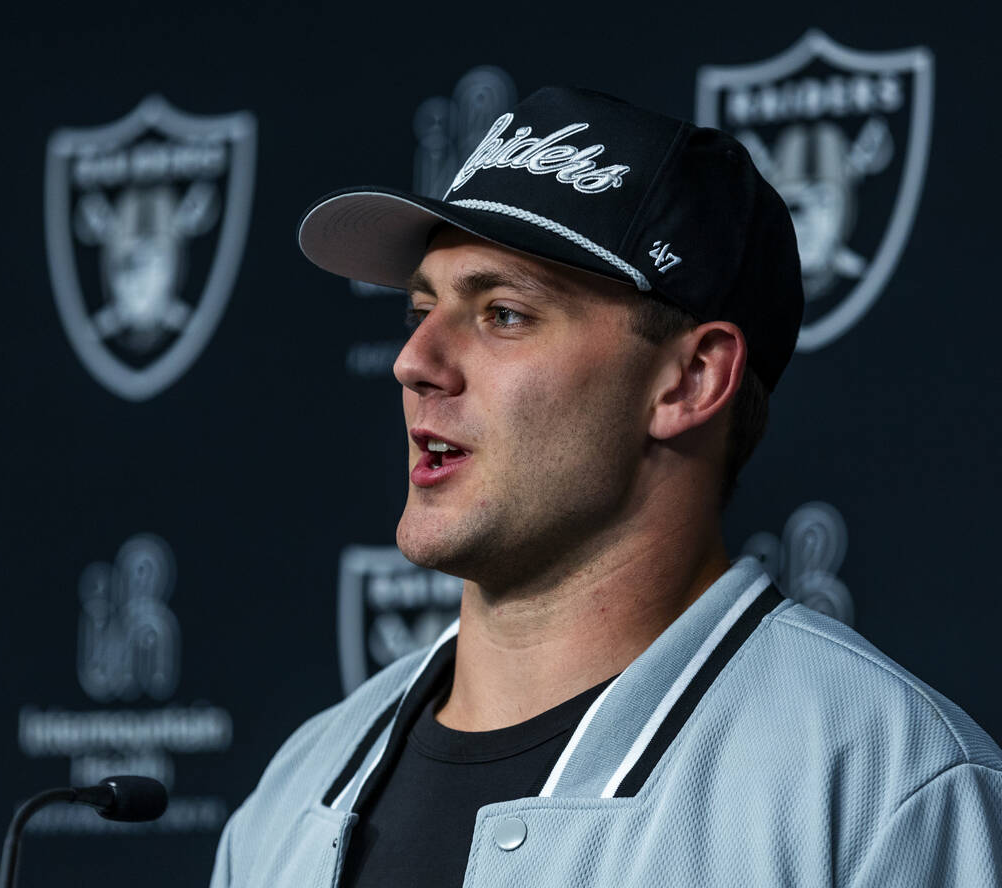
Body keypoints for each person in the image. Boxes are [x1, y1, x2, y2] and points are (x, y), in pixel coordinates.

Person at [210, 87, 1002, 887]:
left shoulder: (885, 787)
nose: (413, 362)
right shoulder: (294, 792)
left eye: (504, 314)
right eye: (421, 308)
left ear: (690, 379)